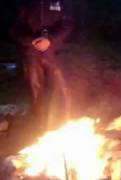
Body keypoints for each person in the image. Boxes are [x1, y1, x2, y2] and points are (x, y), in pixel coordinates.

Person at [10, 0, 73, 130]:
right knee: (35, 90)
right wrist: (30, 41)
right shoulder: (24, 4)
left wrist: (50, 39)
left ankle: (65, 120)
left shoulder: (59, 2)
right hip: (31, 53)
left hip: (54, 51)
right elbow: (15, 28)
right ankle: (40, 124)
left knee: (61, 87)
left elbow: (67, 24)